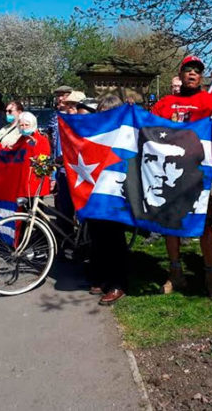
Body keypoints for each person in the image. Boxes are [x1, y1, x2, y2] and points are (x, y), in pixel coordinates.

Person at [151, 55, 212, 301]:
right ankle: (175, 273)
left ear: (201, 76)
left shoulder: (211, 101)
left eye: (196, 70)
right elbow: (149, 128)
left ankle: (211, 274)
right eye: (188, 70)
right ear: (181, 75)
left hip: (200, 174)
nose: (192, 74)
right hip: (170, 173)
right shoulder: (165, 103)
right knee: (170, 223)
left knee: (205, 223)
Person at [86, 94, 131, 305]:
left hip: (115, 190)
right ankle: (100, 275)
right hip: (96, 190)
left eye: (107, 113)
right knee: (96, 235)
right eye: (100, 112)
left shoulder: (124, 133)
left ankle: (117, 283)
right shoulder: (95, 132)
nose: (103, 116)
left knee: (114, 238)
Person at [47, 86, 86, 234]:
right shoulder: (58, 118)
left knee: (81, 210)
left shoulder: (84, 123)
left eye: (73, 105)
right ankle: (65, 240)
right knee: (63, 207)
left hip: (81, 171)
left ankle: (82, 239)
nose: (69, 108)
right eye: (68, 105)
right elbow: (54, 142)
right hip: (63, 169)